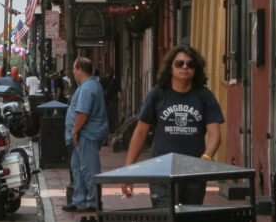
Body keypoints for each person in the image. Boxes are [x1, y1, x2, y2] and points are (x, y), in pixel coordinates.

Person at [120, 45, 224, 206]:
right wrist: (128, 171)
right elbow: (140, 132)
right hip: (162, 172)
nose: (185, 67)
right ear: (170, 68)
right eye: (179, 63)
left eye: (190, 64)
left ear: (196, 70)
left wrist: (205, 159)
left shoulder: (204, 96)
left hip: (193, 172)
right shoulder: (158, 94)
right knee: (164, 219)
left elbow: (215, 135)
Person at [62, 57, 108, 213]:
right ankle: (79, 199)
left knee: (88, 168)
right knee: (77, 168)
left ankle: (92, 201)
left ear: (80, 68)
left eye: (74, 68)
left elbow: (83, 112)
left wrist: (75, 130)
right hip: (81, 135)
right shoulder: (88, 86)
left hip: (86, 134)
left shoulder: (88, 88)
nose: (73, 72)